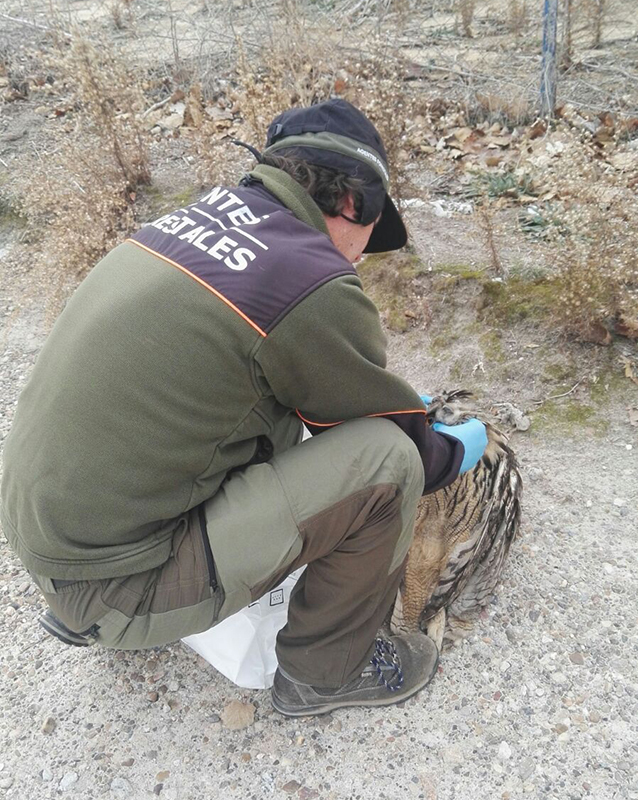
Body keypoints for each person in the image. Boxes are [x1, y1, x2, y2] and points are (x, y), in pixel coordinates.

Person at [0, 99, 487, 717]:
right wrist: (445, 447)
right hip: (115, 584)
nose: (363, 255)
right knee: (388, 464)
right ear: (352, 204)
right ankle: (326, 672)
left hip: (45, 543)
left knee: (260, 398)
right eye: (371, 232)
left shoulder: (185, 222)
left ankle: (87, 603)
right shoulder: (311, 278)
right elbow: (400, 445)